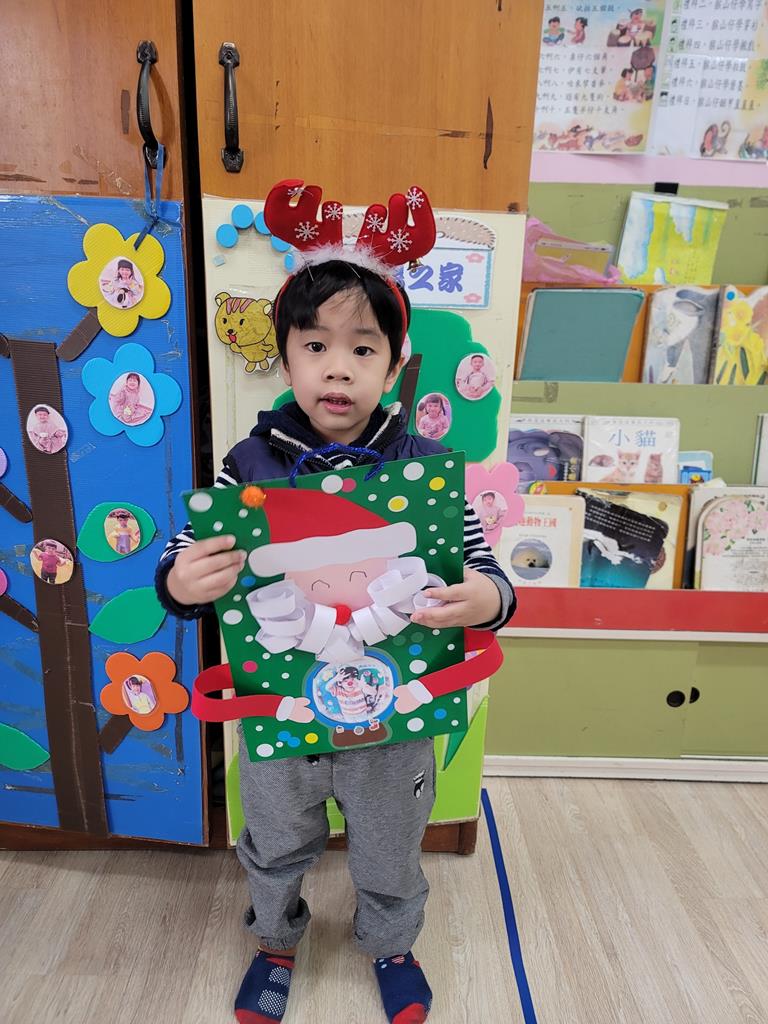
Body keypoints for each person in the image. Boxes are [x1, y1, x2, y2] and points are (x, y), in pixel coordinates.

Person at [155, 224, 515, 1024]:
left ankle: (391, 943)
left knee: (390, 845)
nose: (338, 368)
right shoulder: (247, 467)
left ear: (393, 365)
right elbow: (187, 557)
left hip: (394, 722)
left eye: (362, 349)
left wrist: (486, 600)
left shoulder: (426, 470)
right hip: (284, 717)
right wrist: (182, 579)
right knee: (274, 842)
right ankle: (275, 941)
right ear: (287, 364)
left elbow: (486, 570)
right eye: (315, 346)